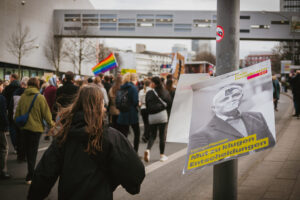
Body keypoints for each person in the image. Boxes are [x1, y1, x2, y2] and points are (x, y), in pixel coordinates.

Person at [27, 85, 145, 200]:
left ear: (77, 104)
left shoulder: (64, 136)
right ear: (101, 105)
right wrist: (124, 183)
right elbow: (135, 171)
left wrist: (35, 196)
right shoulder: (111, 136)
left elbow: (44, 173)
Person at [188, 84, 276, 154]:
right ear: (214, 108)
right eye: (224, 99)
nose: (231, 100)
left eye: (235, 95)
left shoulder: (258, 117)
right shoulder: (201, 135)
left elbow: (270, 144)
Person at [15, 77, 54, 184]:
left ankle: (30, 173)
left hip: (24, 128)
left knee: (28, 151)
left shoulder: (23, 96)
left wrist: (18, 124)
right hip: (36, 129)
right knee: (32, 152)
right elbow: (46, 115)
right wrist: (53, 126)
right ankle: (30, 176)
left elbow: (17, 113)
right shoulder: (40, 97)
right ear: (37, 85)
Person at [145, 77, 172, 162]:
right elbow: (169, 103)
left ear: (155, 84)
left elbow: (147, 105)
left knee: (152, 135)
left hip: (152, 116)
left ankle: (148, 150)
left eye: (151, 82)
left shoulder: (149, 93)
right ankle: (162, 155)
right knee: (162, 136)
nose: (150, 84)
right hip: (162, 116)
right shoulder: (165, 92)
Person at [117, 73, 141, 152]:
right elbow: (135, 102)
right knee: (137, 133)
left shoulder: (121, 88)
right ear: (134, 79)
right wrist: (138, 103)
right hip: (132, 114)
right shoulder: (133, 88)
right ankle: (135, 151)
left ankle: (124, 151)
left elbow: (117, 101)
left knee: (124, 135)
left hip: (122, 113)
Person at [12, 76, 29, 162]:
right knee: (24, 138)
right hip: (24, 118)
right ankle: (23, 156)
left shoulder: (15, 92)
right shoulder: (26, 93)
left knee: (18, 137)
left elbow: (11, 105)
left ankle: (19, 155)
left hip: (16, 117)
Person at [2, 73, 20, 152]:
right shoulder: (20, 87)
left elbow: (4, 99)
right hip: (19, 110)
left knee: (12, 128)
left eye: (10, 77)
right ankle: (20, 146)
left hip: (10, 110)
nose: (9, 79)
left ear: (13, 78)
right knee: (19, 129)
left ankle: (15, 145)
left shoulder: (8, 88)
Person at [0, 82, 11, 179]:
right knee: (4, 147)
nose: (2, 88)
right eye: (1, 86)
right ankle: (2, 170)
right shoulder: (1, 99)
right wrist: (6, 125)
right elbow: (3, 114)